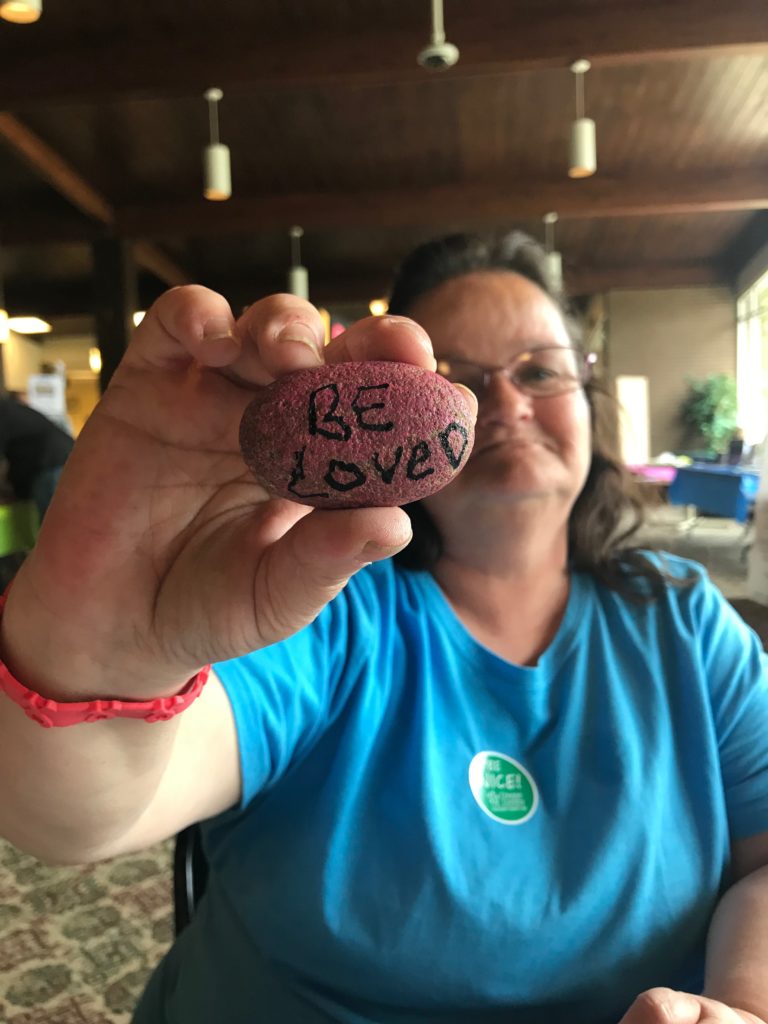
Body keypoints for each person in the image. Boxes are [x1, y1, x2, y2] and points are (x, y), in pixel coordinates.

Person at [0, 232, 766, 1024]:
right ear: (377, 411)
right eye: (460, 381)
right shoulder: (309, 599)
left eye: (540, 370)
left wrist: (745, 1004)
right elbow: (82, 810)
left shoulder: (685, 619)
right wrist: (112, 650)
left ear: (587, 394)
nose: (506, 404)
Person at [0, 390, 74, 522]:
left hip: (51, 464)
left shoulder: (3, 412)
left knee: (54, 526)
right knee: (60, 524)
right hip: (63, 459)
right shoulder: (11, 409)